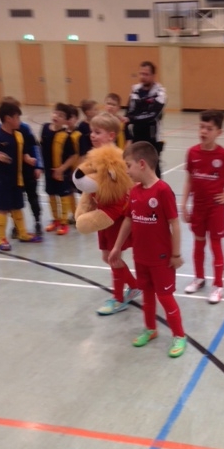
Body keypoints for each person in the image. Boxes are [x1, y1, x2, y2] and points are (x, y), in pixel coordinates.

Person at [109, 141, 187, 358]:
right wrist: (117, 247)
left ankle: (179, 335)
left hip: (161, 258)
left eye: (128, 165)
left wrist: (176, 254)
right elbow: (128, 220)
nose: (127, 171)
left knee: (165, 297)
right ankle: (150, 329)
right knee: (148, 296)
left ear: (142, 164)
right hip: (140, 256)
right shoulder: (134, 192)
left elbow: (174, 224)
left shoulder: (162, 191)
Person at [181, 109, 224, 304]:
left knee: (215, 245)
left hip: (215, 208)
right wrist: (184, 203)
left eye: (209, 128)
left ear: (218, 132)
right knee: (198, 243)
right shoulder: (192, 152)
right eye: (201, 127)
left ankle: (218, 285)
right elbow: (189, 179)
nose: (204, 131)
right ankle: (199, 278)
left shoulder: (223, 155)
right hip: (198, 207)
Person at [74, 112, 140, 316]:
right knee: (107, 256)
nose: (92, 135)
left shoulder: (116, 160)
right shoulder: (95, 156)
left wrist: (102, 215)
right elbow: (90, 186)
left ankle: (118, 298)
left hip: (114, 218)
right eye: (91, 131)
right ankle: (134, 286)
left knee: (113, 257)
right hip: (102, 215)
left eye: (97, 132)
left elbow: (121, 196)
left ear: (111, 135)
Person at [0, 101, 43, 250]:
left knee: (17, 206)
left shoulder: (19, 136)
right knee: (3, 208)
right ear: (8, 118)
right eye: (17, 118)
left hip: (17, 178)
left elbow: (23, 152)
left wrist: (28, 159)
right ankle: (1, 238)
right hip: (1, 179)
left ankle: (22, 233)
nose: (19, 121)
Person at [40, 102, 77, 235]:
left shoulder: (66, 136)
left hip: (61, 172)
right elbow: (41, 148)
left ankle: (64, 222)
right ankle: (55, 220)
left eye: (61, 115)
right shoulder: (45, 128)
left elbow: (73, 156)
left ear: (66, 121)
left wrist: (62, 168)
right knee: (51, 195)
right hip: (48, 171)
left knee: (63, 196)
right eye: (55, 113)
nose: (56, 116)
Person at [126, 61, 166, 179]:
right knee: (136, 164)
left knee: (153, 167)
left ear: (153, 75)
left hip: (153, 136)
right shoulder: (135, 91)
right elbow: (130, 112)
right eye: (141, 74)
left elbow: (152, 115)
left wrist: (135, 116)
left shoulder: (160, 92)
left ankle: (158, 189)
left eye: (146, 74)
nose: (143, 77)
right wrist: (144, 107)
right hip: (137, 135)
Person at [66, 104, 82, 223]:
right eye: (67, 117)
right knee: (69, 192)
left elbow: (82, 153)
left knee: (83, 193)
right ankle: (74, 213)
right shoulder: (62, 134)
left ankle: (83, 212)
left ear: (76, 118)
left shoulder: (79, 135)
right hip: (67, 169)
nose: (69, 120)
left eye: (71, 117)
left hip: (78, 169)